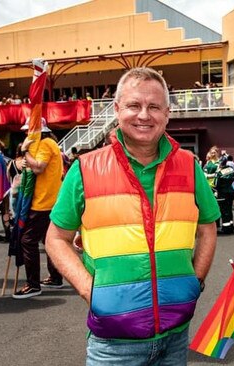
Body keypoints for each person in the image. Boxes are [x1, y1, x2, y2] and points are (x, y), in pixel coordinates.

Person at [45, 67, 220, 365]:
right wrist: (91, 291)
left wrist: (195, 281)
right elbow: (56, 239)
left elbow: (207, 227)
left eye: (154, 107)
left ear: (167, 113)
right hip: (113, 344)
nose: (144, 115)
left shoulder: (190, 166)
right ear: (117, 109)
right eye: (134, 105)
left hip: (175, 336)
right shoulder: (84, 169)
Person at [12, 118, 64, 299]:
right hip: (50, 200)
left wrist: (25, 150)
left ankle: (33, 284)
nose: (27, 134)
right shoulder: (50, 143)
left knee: (27, 240)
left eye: (29, 131)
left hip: (43, 202)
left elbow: (39, 167)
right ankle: (55, 277)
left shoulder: (45, 143)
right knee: (48, 240)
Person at [214, 156, 234, 234]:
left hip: (223, 193)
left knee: (224, 210)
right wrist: (230, 182)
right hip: (230, 191)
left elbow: (216, 184)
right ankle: (231, 226)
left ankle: (226, 228)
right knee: (229, 209)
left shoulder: (220, 172)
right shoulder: (231, 169)